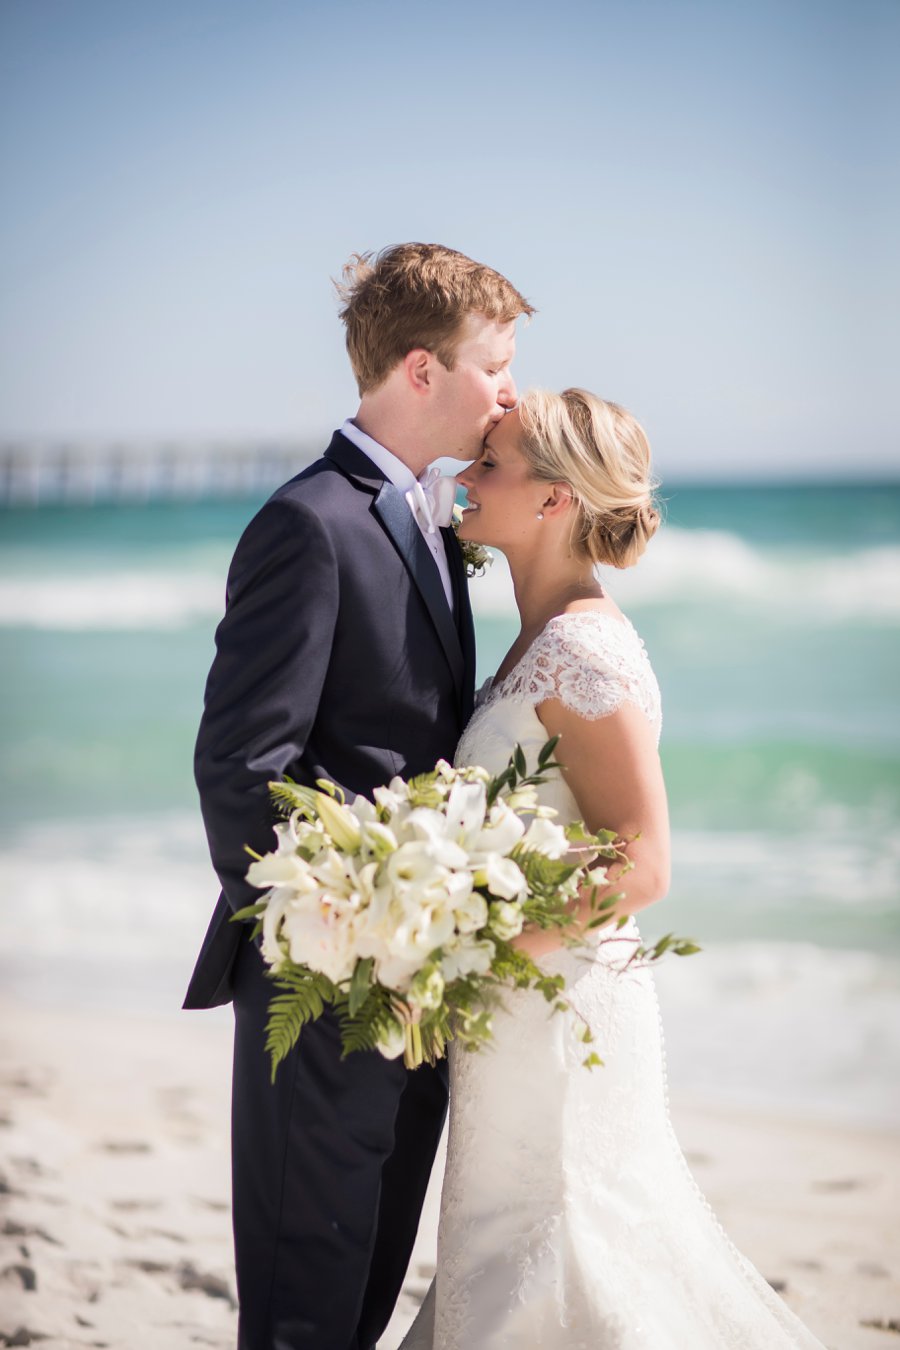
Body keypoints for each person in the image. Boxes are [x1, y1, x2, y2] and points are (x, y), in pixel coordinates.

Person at [401, 389, 827, 1348]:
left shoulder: (585, 651)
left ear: (555, 500)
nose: (463, 480)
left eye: (492, 465)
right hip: (519, 1014)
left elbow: (643, 862)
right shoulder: (534, 634)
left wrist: (474, 959)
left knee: (567, 1258)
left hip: (558, 1014)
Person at [184, 242, 533, 1350]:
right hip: (331, 988)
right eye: (498, 365)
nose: (512, 392)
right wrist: (341, 938)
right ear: (422, 372)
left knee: (363, 1296)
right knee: (304, 1310)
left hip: (415, 984)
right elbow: (243, 768)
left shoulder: (427, 518)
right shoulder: (311, 523)